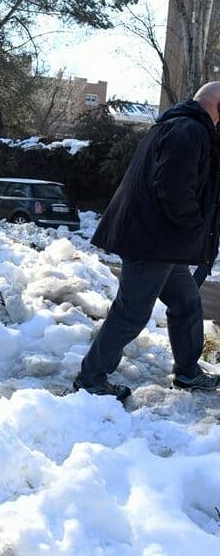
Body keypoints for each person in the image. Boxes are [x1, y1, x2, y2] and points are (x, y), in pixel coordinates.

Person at [74, 82, 220, 401]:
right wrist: (195, 225)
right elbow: (172, 187)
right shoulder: (190, 130)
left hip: (161, 241)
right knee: (132, 311)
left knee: (187, 303)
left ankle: (187, 371)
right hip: (152, 241)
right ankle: (91, 378)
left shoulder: (178, 125)